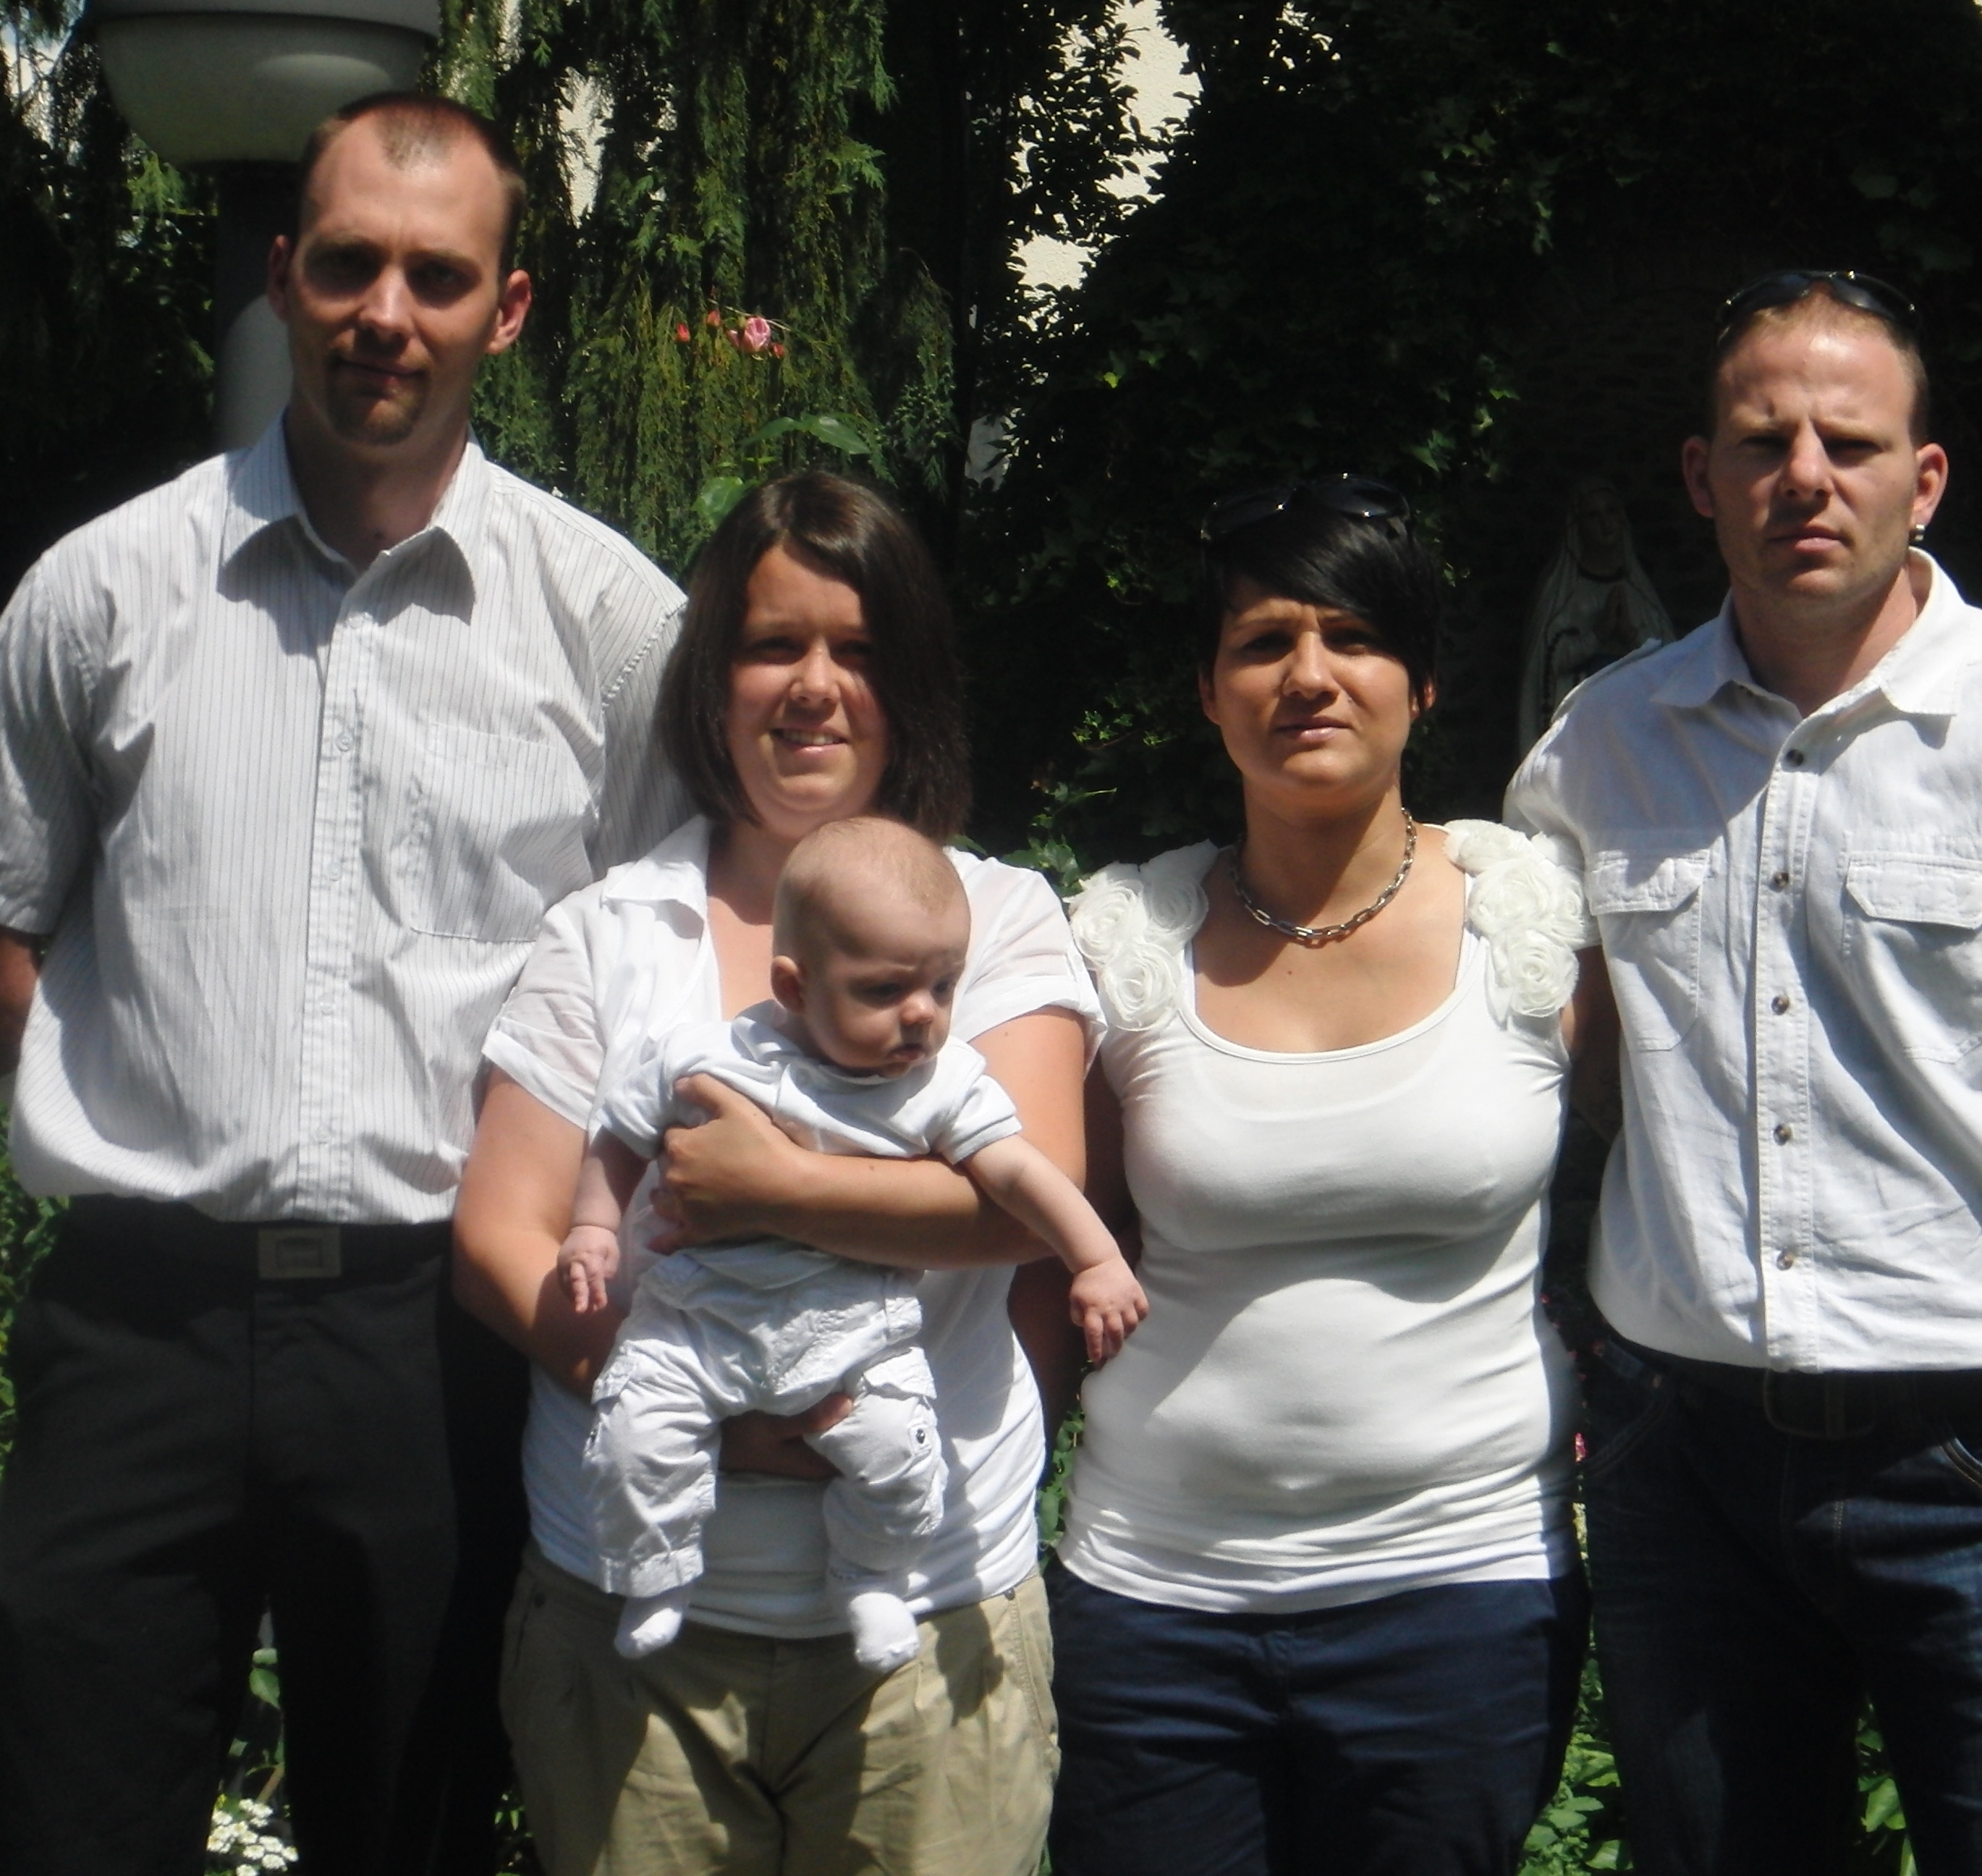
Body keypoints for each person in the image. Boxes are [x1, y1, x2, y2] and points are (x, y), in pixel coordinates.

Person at [0, 93, 685, 1875]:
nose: (387, 312)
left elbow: (681, 968)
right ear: (282, 275)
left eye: (436, 276)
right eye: (348, 264)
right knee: (56, 1831)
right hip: (136, 1329)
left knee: (409, 1831)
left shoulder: (610, 626)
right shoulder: (107, 588)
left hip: (436, 1344)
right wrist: (109, 1099)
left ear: (507, 309)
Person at [1509, 269, 1982, 1875]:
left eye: (1848, 443)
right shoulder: (1594, 754)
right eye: (1761, 440)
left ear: (1924, 479)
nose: (1804, 475)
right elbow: (1545, 1083)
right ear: (1698, 475)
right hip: (1683, 1469)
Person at [452, 472, 1098, 1876]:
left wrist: (765, 1188)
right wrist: (713, 1418)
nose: (813, 686)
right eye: (771, 645)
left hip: (931, 1628)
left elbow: (1027, 1202)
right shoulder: (609, 930)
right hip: (635, 1635)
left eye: (856, 649)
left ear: (909, 682)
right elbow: (502, 1237)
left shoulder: (994, 919)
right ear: (711, 679)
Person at [1045, 475, 1605, 1875]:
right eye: (1263, 641)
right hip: (1154, 1602)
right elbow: (1045, 1240)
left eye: (1353, 637)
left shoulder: (1534, 925)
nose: (1309, 675)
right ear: (1209, 690)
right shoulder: (1125, 941)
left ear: (1422, 683)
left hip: (1462, 1597)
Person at [558, 816, 1143, 1671]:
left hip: (858, 1335)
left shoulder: (942, 1085)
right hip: (696, 1318)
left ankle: (871, 1577)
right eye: (884, 991)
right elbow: (620, 1132)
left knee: (900, 1455)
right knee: (635, 1436)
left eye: (943, 986)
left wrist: (1095, 1259)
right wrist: (590, 1224)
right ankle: (659, 1576)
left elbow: (1024, 1175)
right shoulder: (710, 1057)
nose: (922, 1016)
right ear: (794, 987)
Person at [1516, 474, 1672, 756]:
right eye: (1593, 515)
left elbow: (1670, 659)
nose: (1605, 523)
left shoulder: (1638, 589)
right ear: (1577, 526)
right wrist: (1597, 635)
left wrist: (1631, 636)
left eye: (1611, 511)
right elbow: (1545, 663)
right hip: (1581, 726)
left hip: (1634, 723)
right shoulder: (1561, 592)